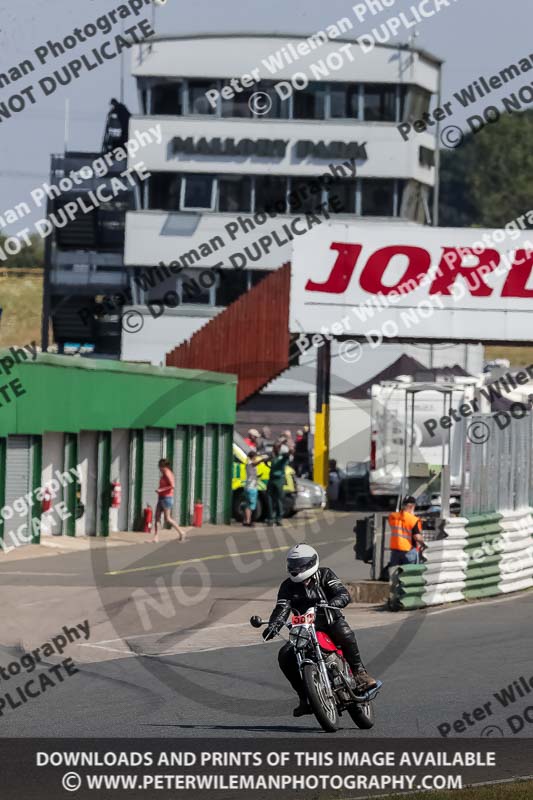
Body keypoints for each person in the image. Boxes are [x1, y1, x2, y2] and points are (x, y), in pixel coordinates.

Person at [263, 543, 378, 717]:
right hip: (303, 629)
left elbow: (342, 593)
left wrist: (333, 604)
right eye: (293, 564)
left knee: (345, 634)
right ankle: (304, 697)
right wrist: (273, 625)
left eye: (300, 564)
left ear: (311, 563)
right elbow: (282, 608)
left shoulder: (325, 574)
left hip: (329, 621)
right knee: (285, 655)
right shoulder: (287, 586)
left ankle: (359, 672)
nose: (296, 568)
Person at [151, 459, 189, 543]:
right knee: (157, 517)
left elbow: (172, 486)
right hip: (161, 498)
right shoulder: (164, 474)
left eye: (160, 467)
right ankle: (156, 537)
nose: (159, 469)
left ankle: (181, 532)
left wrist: (161, 490)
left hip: (167, 498)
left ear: (164, 466)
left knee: (167, 518)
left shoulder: (168, 473)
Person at [388, 495, 425, 566]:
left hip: (395, 551)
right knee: (409, 574)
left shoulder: (393, 516)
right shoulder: (413, 519)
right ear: (412, 506)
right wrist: (424, 544)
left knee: (394, 573)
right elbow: (417, 537)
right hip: (408, 551)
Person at [266, 440, 291, 526]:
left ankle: (278, 518)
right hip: (271, 479)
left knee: (279, 500)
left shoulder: (282, 456)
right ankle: (270, 518)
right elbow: (266, 461)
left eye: (276, 447)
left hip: (279, 479)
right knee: (269, 499)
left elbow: (287, 455)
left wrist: (290, 450)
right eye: (274, 447)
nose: (274, 449)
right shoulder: (272, 456)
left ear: (279, 448)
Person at [243, 449, 268, 527]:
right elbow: (255, 464)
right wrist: (262, 460)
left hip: (248, 486)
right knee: (252, 505)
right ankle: (249, 521)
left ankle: (247, 520)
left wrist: (257, 476)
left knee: (248, 505)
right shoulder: (250, 463)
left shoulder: (248, 463)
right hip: (251, 487)